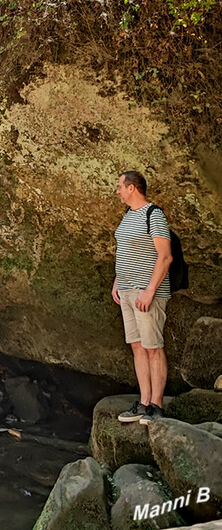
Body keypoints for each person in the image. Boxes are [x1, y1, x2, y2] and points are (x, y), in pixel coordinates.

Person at [113, 171, 173, 425]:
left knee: (153, 347)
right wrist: (117, 281)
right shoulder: (128, 216)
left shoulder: (154, 215)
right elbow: (126, 250)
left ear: (132, 188)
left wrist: (149, 290)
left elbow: (165, 256)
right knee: (137, 347)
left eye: (120, 186)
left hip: (147, 292)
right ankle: (144, 402)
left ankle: (156, 407)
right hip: (126, 291)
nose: (117, 191)